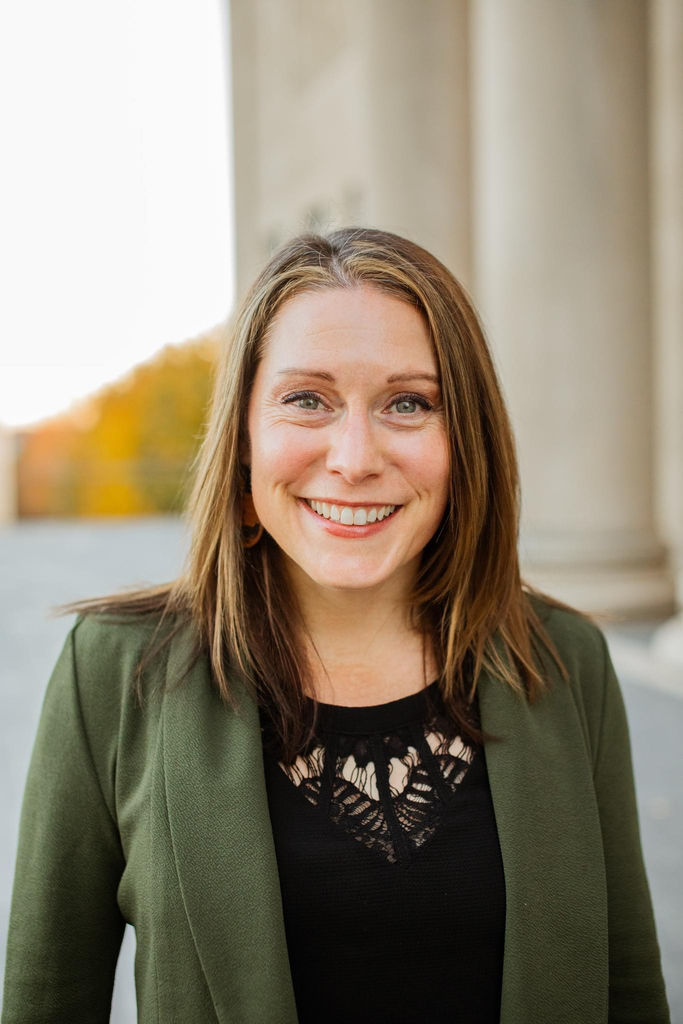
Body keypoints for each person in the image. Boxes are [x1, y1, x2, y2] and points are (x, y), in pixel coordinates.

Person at [1, 227, 670, 1024]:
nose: (354, 457)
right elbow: (44, 1000)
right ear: (244, 439)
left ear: (466, 444)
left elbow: (625, 986)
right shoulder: (114, 671)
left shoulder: (563, 661)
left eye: (409, 403)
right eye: (306, 399)